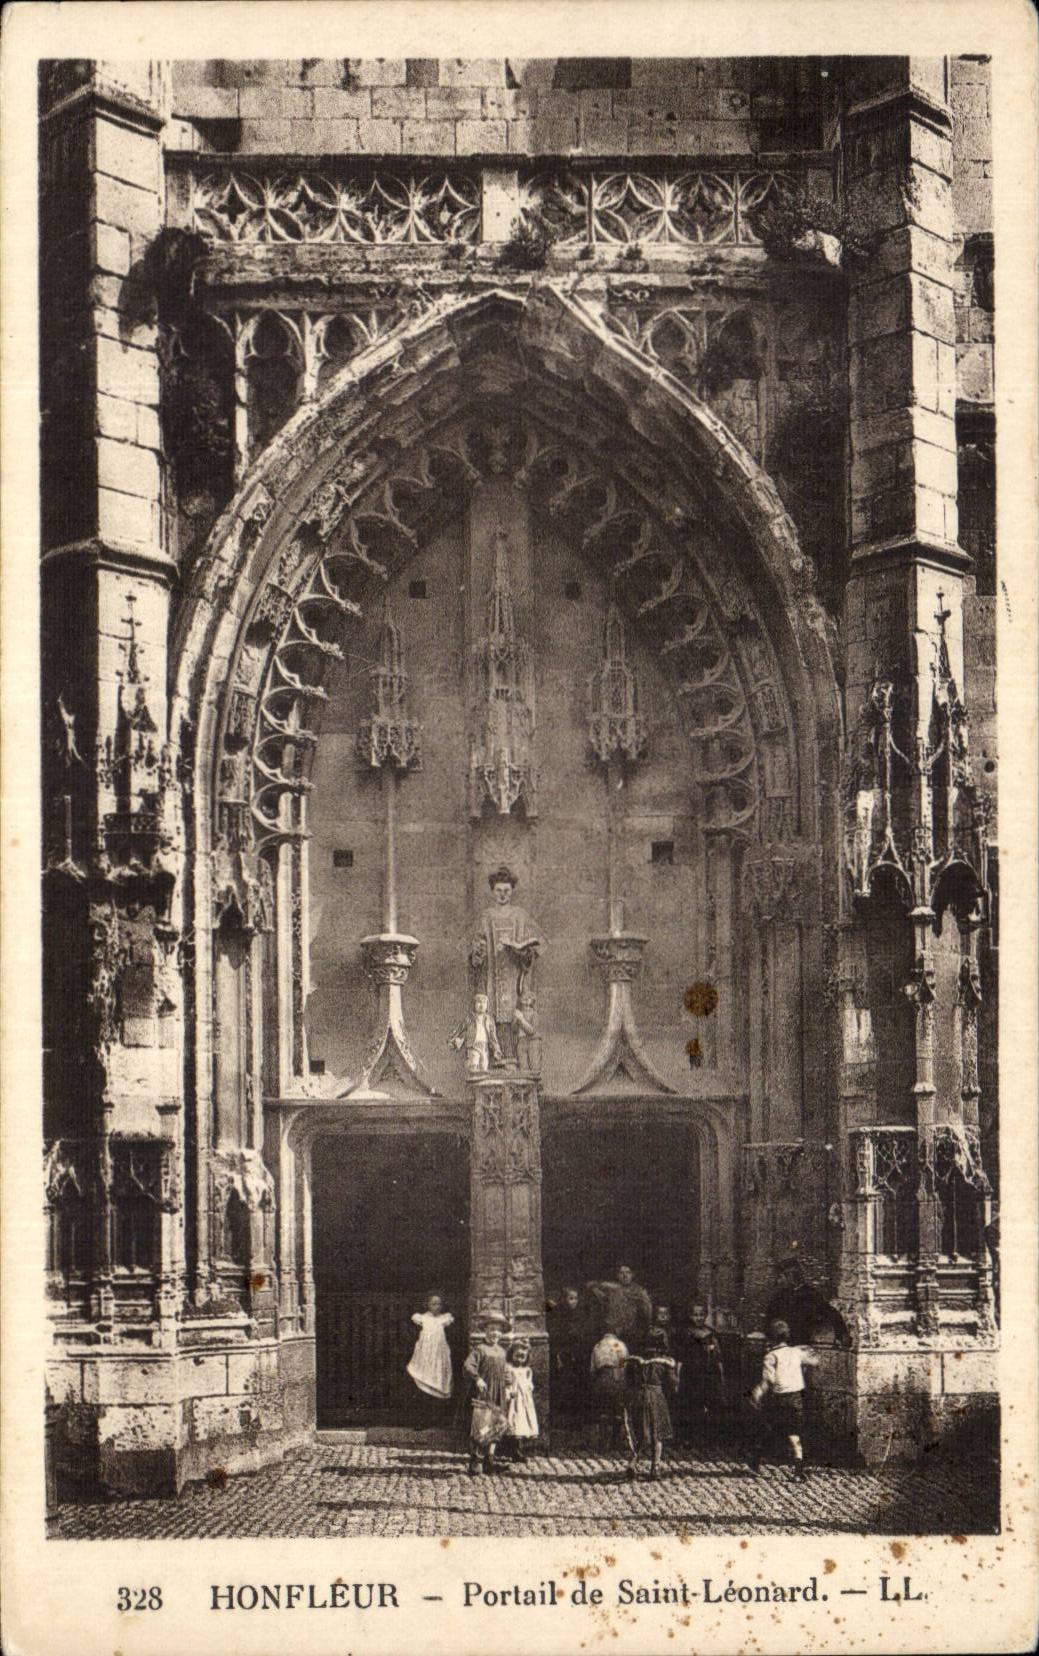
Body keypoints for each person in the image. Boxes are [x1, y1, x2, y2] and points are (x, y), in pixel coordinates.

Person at [469, 866, 543, 1066]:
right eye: (498, 891)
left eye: (506, 891)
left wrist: (524, 951)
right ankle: (498, 1058)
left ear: (512, 891)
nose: (502, 894)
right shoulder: (486, 916)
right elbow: (475, 948)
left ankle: (516, 1060)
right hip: (492, 974)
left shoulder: (520, 915)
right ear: (493, 891)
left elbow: (535, 948)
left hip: (515, 975)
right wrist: (478, 951)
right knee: (495, 1012)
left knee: (515, 1012)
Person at [748, 1319, 819, 1480]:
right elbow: (815, 1361)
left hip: (778, 1400)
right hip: (796, 1399)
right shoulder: (796, 1352)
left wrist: (756, 1394)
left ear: (770, 1339)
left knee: (768, 1430)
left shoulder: (771, 1356)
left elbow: (768, 1380)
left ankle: (755, 1461)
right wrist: (805, 1351)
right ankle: (798, 1471)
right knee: (794, 1435)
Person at [624, 1328, 680, 1480]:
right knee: (657, 1435)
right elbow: (673, 1384)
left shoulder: (634, 1361)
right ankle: (655, 1468)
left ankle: (632, 1463)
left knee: (641, 1432)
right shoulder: (664, 1363)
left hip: (638, 1397)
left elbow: (628, 1380)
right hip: (656, 1398)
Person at [463, 1313, 513, 1476]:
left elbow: (505, 1371)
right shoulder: (480, 1349)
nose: (494, 1334)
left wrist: (508, 1383)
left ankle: (489, 1460)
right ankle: (476, 1462)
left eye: (498, 1331)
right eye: (491, 1330)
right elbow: (468, 1365)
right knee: (482, 1426)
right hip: (484, 1394)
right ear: (485, 1331)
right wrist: (477, 1378)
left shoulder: (501, 1351)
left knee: (497, 1426)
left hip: (498, 1394)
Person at [765, 1257, 851, 1349]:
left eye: (781, 1277)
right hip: (782, 1346)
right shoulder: (779, 1296)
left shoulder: (812, 1295)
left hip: (803, 1344)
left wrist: (842, 1334)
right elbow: (769, 1318)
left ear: (790, 1276)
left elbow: (831, 1314)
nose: (778, 1281)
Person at [678, 1304, 725, 1448]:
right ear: (690, 1316)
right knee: (692, 1406)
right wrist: (677, 1377)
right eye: (695, 1314)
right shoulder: (686, 1333)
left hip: (708, 1374)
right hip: (691, 1374)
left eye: (701, 1314)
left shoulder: (711, 1333)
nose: (698, 1318)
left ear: (705, 1316)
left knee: (710, 1406)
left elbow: (718, 1357)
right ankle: (689, 1439)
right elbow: (681, 1356)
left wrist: (721, 1376)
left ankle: (709, 1439)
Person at [405, 1291, 454, 1410]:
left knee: (439, 1379)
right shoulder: (421, 1318)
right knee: (423, 1378)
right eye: (434, 1304)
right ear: (427, 1304)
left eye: (439, 1304)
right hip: (425, 1355)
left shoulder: (445, 1318)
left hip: (439, 1355)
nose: (437, 1306)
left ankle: (437, 1413)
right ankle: (422, 1414)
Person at [587, 1265, 653, 1351]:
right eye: (621, 1273)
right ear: (617, 1275)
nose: (625, 1275)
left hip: (631, 1332)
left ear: (632, 1275)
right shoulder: (611, 1287)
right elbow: (590, 1285)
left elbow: (648, 1311)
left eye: (628, 1272)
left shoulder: (639, 1291)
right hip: (612, 1331)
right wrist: (601, 1295)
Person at [547, 1286, 588, 1421]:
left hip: (577, 1355)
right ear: (564, 1300)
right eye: (570, 1298)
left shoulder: (580, 1315)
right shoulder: (558, 1315)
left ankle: (577, 1416)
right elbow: (556, 1336)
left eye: (576, 1299)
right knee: (564, 1384)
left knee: (577, 1384)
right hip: (563, 1355)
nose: (573, 1302)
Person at [590, 1326, 630, 1450]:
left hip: (602, 1378)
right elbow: (624, 1363)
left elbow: (592, 1368)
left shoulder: (598, 1346)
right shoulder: (618, 1345)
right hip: (617, 1377)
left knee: (603, 1411)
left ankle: (603, 1442)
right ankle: (616, 1441)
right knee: (617, 1410)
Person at [501, 1340, 539, 1462]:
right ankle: (510, 1450)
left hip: (524, 1402)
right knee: (512, 1423)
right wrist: (508, 1393)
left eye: (523, 1357)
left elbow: (529, 1383)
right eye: (517, 1356)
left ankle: (518, 1450)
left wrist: (528, 1389)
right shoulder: (509, 1369)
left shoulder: (527, 1370)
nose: (519, 1360)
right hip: (513, 1400)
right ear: (511, 1354)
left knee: (522, 1424)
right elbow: (506, 1384)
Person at [449, 992, 502, 1074]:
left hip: (484, 1047)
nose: (481, 1005)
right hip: (473, 1045)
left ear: (487, 1005)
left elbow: (493, 1036)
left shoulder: (489, 1020)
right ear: (474, 1004)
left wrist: (496, 1049)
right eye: (479, 1002)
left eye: (484, 1003)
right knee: (473, 1065)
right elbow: (460, 1030)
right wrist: (453, 1040)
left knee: (484, 1067)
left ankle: (481, 1086)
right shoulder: (469, 1019)